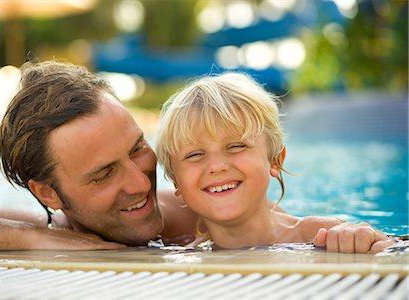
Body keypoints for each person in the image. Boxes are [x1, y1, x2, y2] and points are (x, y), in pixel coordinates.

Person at [0, 61, 392, 253]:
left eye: (136, 149)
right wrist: (41, 241)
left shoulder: (204, 214)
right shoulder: (49, 229)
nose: (139, 182)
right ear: (48, 194)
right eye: (104, 173)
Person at [155, 72, 394, 253]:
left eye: (236, 146)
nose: (217, 166)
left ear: (275, 160)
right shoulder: (189, 253)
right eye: (194, 155)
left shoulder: (314, 234)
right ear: (175, 179)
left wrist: (358, 237)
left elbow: (387, 249)